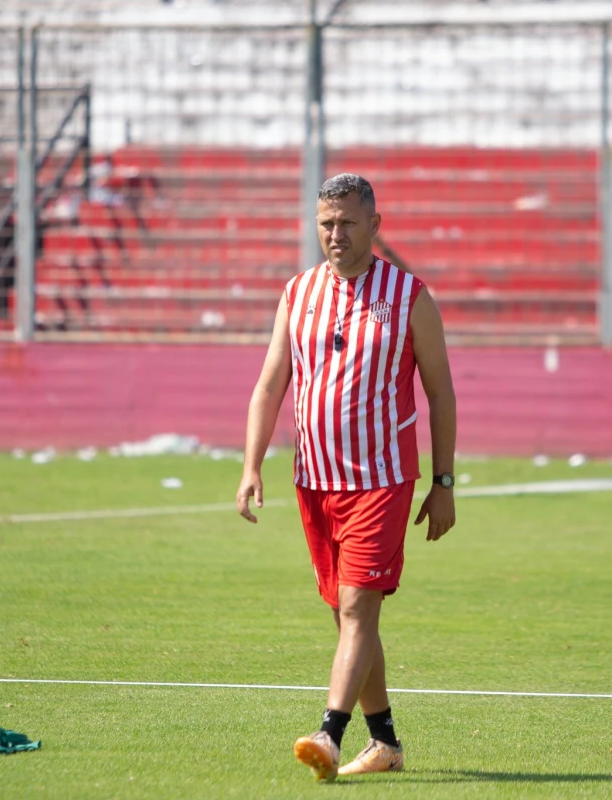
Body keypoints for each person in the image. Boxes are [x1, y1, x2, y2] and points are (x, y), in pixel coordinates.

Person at [236, 173, 457, 781]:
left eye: (348, 223)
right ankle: (384, 743)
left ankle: (329, 735)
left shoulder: (410, 297)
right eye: (327, 223)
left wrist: (443, 484)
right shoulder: (297, 292)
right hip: (315, 480)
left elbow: (441, 394)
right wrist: (252, 464)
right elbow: (270, 384)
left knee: (359, 609)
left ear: (374, 226)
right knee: (348, 618)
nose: (336, 234)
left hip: (383, 480)